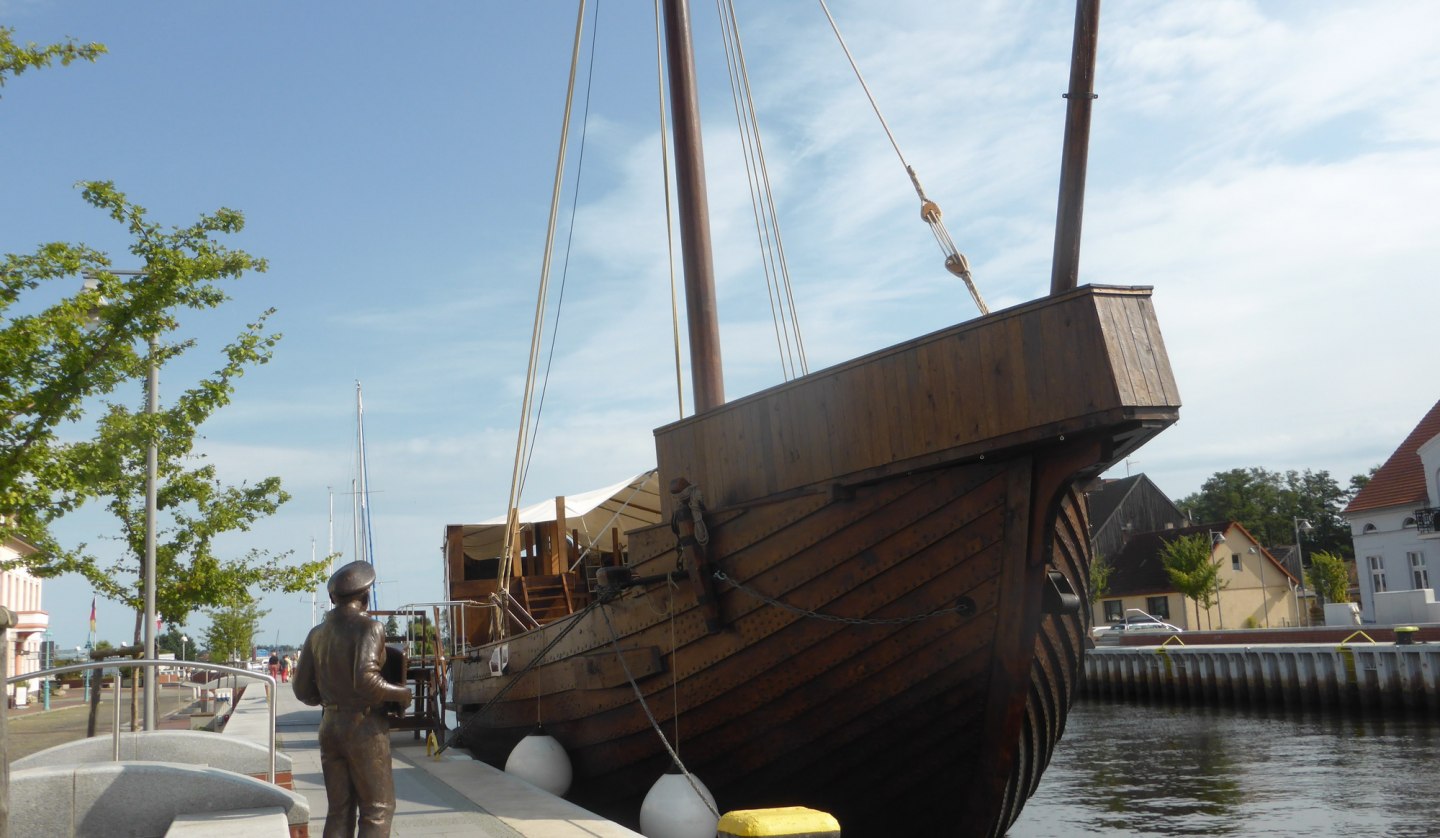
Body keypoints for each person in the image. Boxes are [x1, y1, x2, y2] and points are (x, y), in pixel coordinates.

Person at [292, 561, 412, 837]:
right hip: (364, 727)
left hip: (330, 725)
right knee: (377, 809)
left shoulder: (317, 634)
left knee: (339, 809)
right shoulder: (370, 628)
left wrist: (331, 700)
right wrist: (401, 694)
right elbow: (367, 680)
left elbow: (302, 691)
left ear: (333, 598)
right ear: (365, 596)